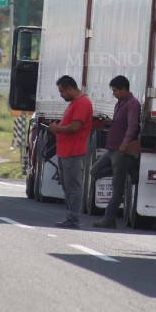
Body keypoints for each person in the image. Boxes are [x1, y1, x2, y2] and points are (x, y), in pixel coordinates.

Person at [90, 75, 141, 229]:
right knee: (94, 171)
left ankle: (109, 219)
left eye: (116, 91)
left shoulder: (132, 104)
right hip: (112, 149)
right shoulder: (120, 103)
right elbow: (122, 123)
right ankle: (126, 169)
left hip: (120, 150)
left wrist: (125, 143)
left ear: (124, 89)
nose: (114, 93)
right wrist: (110, 123)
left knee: (117, 188)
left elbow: (132, 125)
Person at [48, 75, 93, 229]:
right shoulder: (75, 103)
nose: (61, 95)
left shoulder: (82, 103)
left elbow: (75, 127)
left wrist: (57, 129)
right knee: (68, 186)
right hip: (65, 151)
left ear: (70, 88)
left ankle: (73, 219)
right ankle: (70, 217)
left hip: (73, 151)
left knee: (73, 187)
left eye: (62, 91)